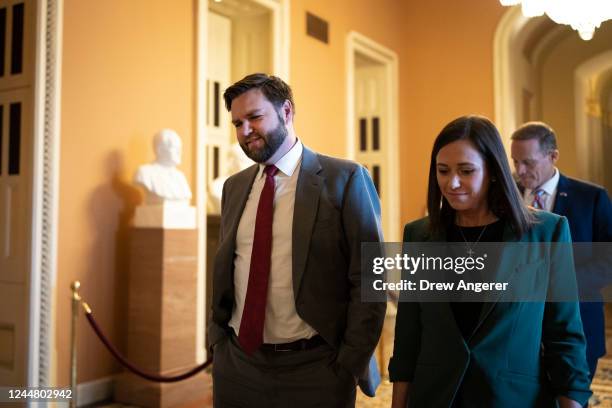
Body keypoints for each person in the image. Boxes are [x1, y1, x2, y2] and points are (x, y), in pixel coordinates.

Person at [208, 73, 386, 407]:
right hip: (238, 365)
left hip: (316, 369)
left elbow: (370, 277)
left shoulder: (345, 179)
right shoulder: (233, 188)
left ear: (286, 112)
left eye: (254, 117)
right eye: (237, 123)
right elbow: (227, 268)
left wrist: (349, 362)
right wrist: (217, 341)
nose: (244, 131)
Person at [389, 115, 591, 407]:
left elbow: (564, 336)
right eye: (443, 171)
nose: (452, 182)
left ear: (494, 171)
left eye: (466, 171)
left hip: (512, 398)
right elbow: (408, 336)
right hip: (435, 397)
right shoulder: (418, 234)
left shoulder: (547, 232)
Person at [511, 121, 612, 381]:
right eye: (515, 161)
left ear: (553, 156)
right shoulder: (505, 195)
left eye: (528, 163)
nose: (520, 171)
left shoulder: (591, 197)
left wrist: (559, 284)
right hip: (517, 328)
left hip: (577, 324)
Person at [134, 128, 192, 204]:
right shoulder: (145, 173)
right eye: (175, 148)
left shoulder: (180, 177)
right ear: (160, 150)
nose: (179, 152)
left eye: (180, 148)